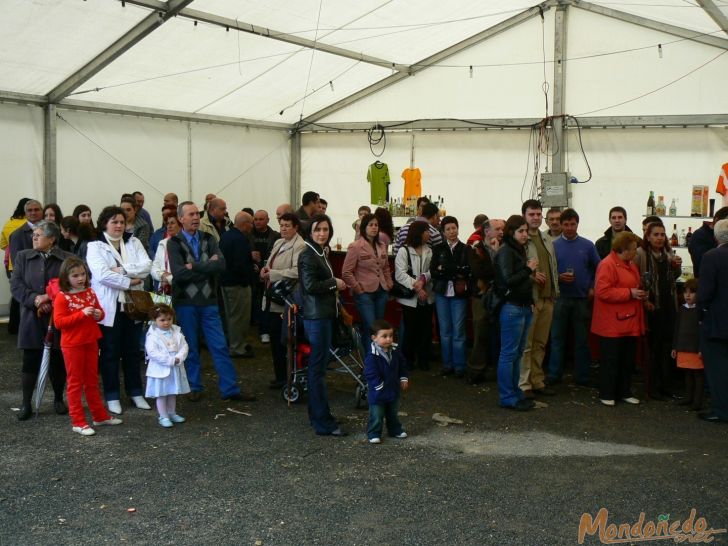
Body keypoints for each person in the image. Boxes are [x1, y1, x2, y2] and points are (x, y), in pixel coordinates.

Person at [167, 201, 255, 402]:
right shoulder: (174, 243)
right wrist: (207, 266)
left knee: (219, 345)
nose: (196, 217)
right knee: (190, 346)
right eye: (190, 214)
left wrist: (194, 266)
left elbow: (221, 265)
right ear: (181, 219)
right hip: (186, 303)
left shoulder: (209, 238)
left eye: (197, 214)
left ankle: (230, 389)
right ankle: (194, 386)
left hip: (209, 301)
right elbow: (179, 273)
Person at [86, 206, 152, 415]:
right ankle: (112, 395)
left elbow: (147, 266)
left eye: (122, 222)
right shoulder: (95, 246)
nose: (119, 226)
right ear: (105, 223)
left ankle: (135, 392)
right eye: (114, 222)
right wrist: (130, 280)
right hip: (109, 308)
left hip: (133, 305)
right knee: (110, 353)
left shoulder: (134, 241)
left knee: (133, 351)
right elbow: (102, 275)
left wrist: (123, 270)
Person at [10, 221, 73, 420]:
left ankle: (57, 398)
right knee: (30, 360)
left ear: (52, 238)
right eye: (34, 234)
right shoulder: (23, 257)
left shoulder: (67, 259)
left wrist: (51, 298)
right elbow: (16, 284)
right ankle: (25, 402)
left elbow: (74, 283)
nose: (34, 237)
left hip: (58, 316)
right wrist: (36, 299)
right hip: (31, 316)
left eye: (38, 234)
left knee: (57, 361)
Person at [53, 256, 122, 436]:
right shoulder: (62, 297)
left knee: (92, 380)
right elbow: (59, 323)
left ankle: (99, 415)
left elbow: (99, 313)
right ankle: (78, 421)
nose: (80, 278)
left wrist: (99, 313)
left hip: (90, 340)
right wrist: (82, 314)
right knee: (75, 383)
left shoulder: (90, 292)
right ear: (66, 277)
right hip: (72, 345)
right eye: (75, 275)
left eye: (82, 274)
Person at [298, 214, 348, 436]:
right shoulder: (308, 255)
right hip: (316, 318)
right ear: (310, 231)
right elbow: (309, 286)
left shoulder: (319, 253)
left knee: (317, 369)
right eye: (318, 229)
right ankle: (322, 422)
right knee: (317, 371)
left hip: (323, 315)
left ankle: (318, 416)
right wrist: (334, 283)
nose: (322, 233)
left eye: (326, 229)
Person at [546, 208, 601, 387]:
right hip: (560, 299)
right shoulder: (553, 246)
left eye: (573, 224)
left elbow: (600, 269)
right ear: (561, 225)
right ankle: (554, 375)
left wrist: (592, 287)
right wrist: (558, 278)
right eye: (566, 224)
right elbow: (548, 271)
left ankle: (582, 377)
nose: (569, 228)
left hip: (581, 299)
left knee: (581, 341)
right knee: (557, 339)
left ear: (578, 224)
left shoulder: (587, 245)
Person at [591, 232, 645, 407]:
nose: (635, 252)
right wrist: (630, 293)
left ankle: (624, 391)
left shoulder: (629, 264)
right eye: (633, 249)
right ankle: (607, 392)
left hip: (628, 320)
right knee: (611, 359)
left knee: (627, 358)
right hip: (611, 323)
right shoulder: (607, 265)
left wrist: (638, 293)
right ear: (623, 249)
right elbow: (602, 292)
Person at [494, 215, 538, 411]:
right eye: (521, 231)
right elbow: (508, 280)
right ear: (512, 232)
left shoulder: (518, 250)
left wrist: (530, 302)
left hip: (523, 306)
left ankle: (515, 392)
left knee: (518, 353)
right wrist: (528, 270)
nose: (525, 235)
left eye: (526, 231)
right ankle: (507, 396)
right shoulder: (506, 252)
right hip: (512, 307)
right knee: (509, 353)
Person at [634, 222, 681, 400]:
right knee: (653, 349)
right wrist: (645, 300)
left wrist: (676, 267)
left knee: (667, 348)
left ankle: (666, 386)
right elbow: (635, 279)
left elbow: (672, 279)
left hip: (668, 306)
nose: (660, 238)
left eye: (662, 234)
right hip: (651, 307)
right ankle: (652, 388)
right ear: (648, 236)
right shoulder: (640, 254)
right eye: (656, 234)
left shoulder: (668, 254)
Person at [260, 212, 306, 389]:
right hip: (272, 295)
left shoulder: (300, 246)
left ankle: (288, 376)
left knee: (284, 340)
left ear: (296, 227)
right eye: (282, 225)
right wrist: (265, 270)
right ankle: (280, 375)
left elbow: (297, 271)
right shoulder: (279, 242)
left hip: (287, 299)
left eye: (288, 225)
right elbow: (270, 262)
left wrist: (273, 274)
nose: (284, 229)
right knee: (274, 339)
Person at [519, 199, 559, 398]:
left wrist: (554, 292)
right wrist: (531, 276)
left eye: (538, 214)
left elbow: (553, 268)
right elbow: (513, 270)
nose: (535, 218)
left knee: (541, 343)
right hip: (531, 299)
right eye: (531, 214)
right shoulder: (521, 240)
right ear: (524, 216)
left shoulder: (546, 239)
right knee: (527, 344)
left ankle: (537, 380)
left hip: (547, 298)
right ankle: (524, 384)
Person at [342, 213, 393, 350]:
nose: (374, 228)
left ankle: (378, 359)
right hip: (364, 293)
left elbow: (386, 267)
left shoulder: (382, 245)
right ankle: (368, 362)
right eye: (371, 225)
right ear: (364, 227)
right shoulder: (356, 246)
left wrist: (388, 284)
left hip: (381, 291)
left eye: (376, 225)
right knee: (371, 327)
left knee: (379, 328)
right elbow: (346, 272)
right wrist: (357, 288)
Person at [696, 219, 728, 423]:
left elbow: (705, 292)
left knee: (718, 369)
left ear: (716, 237)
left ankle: (721, 409)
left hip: (717, 322)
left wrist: (701, 315)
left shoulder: (712, 257)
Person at [430, 216, 471, 377]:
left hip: (459, 294)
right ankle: (447, 364)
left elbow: (467, 270)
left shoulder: (465, 248)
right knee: (445, 331)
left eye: (454, 228)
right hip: (442, 293)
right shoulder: (438, 248)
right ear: (443, 232)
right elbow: (434, 271)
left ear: (458, 229)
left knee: (459, 331)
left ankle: (460, 365)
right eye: (448, 229)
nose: (452, 231)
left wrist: (445, 268)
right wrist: (455, 269)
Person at [394, 221, 434, 371]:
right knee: (410, 329)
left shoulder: (429, 250)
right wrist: (417, 286)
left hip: (427, 295)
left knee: (425, 329)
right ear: (418, 232)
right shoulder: (404, 250)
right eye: (426, 231)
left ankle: (423, 359)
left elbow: (432, 271)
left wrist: (424, 279)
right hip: (410, 298)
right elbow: (400, 274)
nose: (429, 234)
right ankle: (407, 360)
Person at [145, 303, 190, 428]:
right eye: (162, 320)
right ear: (155, 320)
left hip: (175, 366)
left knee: (172, 391)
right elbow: (152, 352)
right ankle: (163, 416)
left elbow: (184, 346)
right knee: (161, 393)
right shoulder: (152, 335)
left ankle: (172, 412)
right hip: (161, 368)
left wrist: (179, 357)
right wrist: (169, 360)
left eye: (169, 319)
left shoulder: (177, 332)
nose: (166, 322)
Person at [364, 320, 409, 444]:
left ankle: (395, 430)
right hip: (378, 392)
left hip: (393, 389)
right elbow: (370, 374)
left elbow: (402, 364)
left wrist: (403, 377)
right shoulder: (372, 356)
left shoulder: (395, 350)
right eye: (384, 336)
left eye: (391, 336)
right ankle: (373, 433)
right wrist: (379, 386)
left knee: (393, 413)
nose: (389, 339)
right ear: (374, 338)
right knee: (377, 415)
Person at [219, 211, 256, 359]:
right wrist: (251, 275)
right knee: (239, 317)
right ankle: (237, 347)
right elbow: (240, 264)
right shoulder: (240, 240)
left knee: (230, 316)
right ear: (245, 224)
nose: (252, 226)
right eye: (251, 223)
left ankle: (233, 343)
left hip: (225, 283)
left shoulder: (226, 236)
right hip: (238, 285)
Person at [466, 219, 495, 384]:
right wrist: (497, 266)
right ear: (486, 232)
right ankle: (475, 370)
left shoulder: (502, 247)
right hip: (481, 296)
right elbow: (478, 271)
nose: (501, 231)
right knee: (480, 332)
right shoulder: (475, 248)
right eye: (497, 228)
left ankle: (491, 366)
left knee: (494, 333)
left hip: (497, 295)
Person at [671, 279, 704, 411]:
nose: (688, 295)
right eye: (685, 292)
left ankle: (697, 401)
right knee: (687, 374)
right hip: (683, 347)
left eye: (691, 292)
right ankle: (688, 397)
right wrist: (675, 346)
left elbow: (703, 331)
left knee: (698, 375)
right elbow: (677, 329)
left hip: (695, 348)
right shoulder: (682, 310)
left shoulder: (700, 311)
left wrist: (702, 348)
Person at [1, 197, 31, 334]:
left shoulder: (9, 223)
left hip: (10, 265)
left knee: (16, 293)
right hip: (25, 264)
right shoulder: (28, 224)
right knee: (25, 294)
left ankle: (13, 326)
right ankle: (22, 325)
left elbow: (2, 244)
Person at [251, 209, 281, 344]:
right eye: (255, 219)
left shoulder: (275, 236)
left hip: (270, 273)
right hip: (252, 273)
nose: (257, 222)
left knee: (267, 301)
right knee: (256, 302)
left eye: (260, 219)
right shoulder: (248, 235)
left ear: (268, 220)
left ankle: (265, 330)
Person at [689, 206, 728, 277]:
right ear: (716, 220)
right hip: (706, 282)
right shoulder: (699, 235)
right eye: (726, 223)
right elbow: (703, 262)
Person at [150, 210, 182, 292]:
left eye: (172, 223)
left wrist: (168, 279)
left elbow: (185, 271)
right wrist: (162, 276)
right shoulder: (162, 243)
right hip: (164, 290)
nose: (169, 226)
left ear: (180, 225)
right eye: (167, 223)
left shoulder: (186, 243)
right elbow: (154, 267)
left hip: (180, 289)